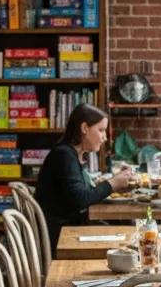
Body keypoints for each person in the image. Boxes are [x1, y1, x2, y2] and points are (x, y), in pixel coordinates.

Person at [35, 103, 134, 253]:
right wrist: (113, 184)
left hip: (68, 229)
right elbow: (80, 198)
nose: (105, 138)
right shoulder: (65, 155)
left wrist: (109, 183)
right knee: (127, 238)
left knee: (127, 233)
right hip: (61, 236)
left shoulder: (70, 154)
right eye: (101, 130)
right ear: (84, 128)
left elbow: (76, 192)